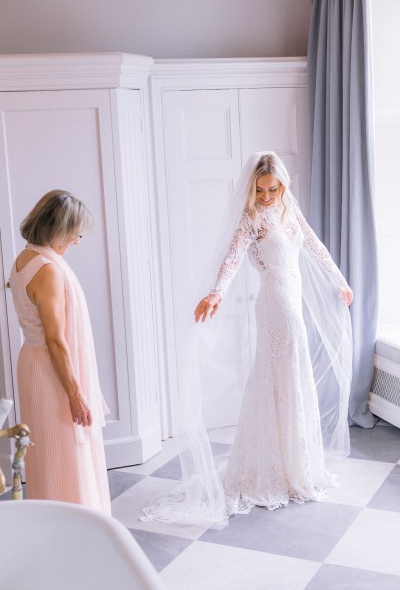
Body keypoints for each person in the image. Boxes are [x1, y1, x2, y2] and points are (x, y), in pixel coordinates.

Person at [142, 151, 353, 528]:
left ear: (283, 185)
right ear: (252, 188)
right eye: (261, 189)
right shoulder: (251, 218)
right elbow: (233, 257)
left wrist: (340, 282)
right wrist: (216, 292)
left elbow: (315, 245)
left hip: (294, 303)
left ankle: (294, 464)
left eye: (273, 189)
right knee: (276, 376)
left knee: (291, 375)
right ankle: (273, 468)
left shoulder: (290, 210)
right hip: (275, 303)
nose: (268, 196)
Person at [9, 190, 111, 514]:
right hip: (50, 370)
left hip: (33, 362)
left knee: (51, 455)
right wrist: (75, 394)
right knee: (64, 452)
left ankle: (55, 523)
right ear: (57, 229)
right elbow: (55, 339)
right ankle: (73, 524)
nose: (77, 241)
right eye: (75, 233)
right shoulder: (48, 270)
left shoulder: (24, 259)